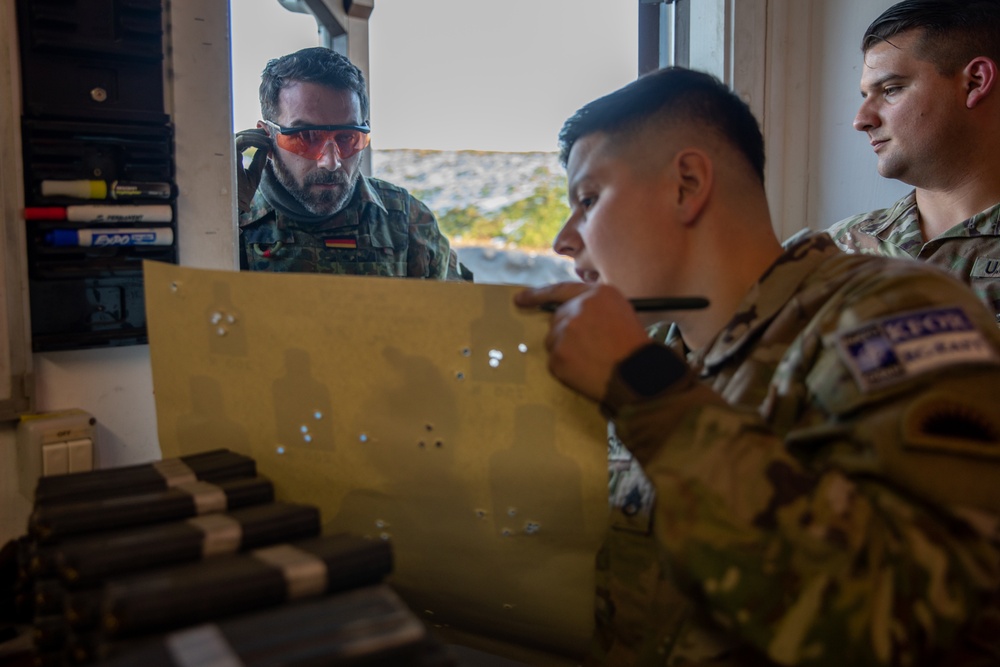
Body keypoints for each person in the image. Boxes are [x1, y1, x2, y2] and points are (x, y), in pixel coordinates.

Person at [514, 67, 1000, 666]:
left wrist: (646, 394)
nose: (565, 239)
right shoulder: (662, 347)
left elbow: (906, 624)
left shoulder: (889, 316)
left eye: (588, 199)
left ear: (687, 184)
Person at [827, 0, 1000, 324]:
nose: (861, 120)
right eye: (865, 96)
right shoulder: (838, 249)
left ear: (975, 82)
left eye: (891, 90)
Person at [236, 46, 468, 280]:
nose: (331, 162)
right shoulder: (232, 220)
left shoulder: (406, 220)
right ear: (267, 138)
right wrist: (226, 214)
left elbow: (453, 313)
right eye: (306, 138)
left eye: (347, 138)